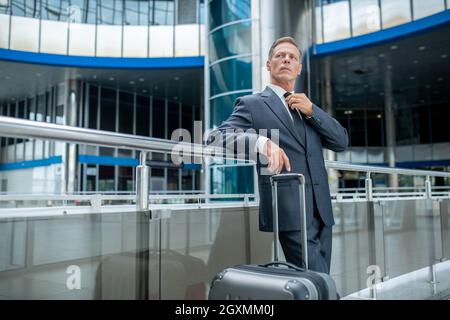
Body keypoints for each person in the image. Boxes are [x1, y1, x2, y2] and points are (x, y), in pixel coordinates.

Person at [209, 36, 348, 275]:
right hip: (289, 210)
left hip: (322, 211)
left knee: (319, 279)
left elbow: (341, 142)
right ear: (268, 64)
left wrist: (313, 110)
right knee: (318, 279)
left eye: (292, 57)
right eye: (280, 55)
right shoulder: (252, 103)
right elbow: (218, 136)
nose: (286, 59)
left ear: (299, 68)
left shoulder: (306, 107)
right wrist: (261, 142)